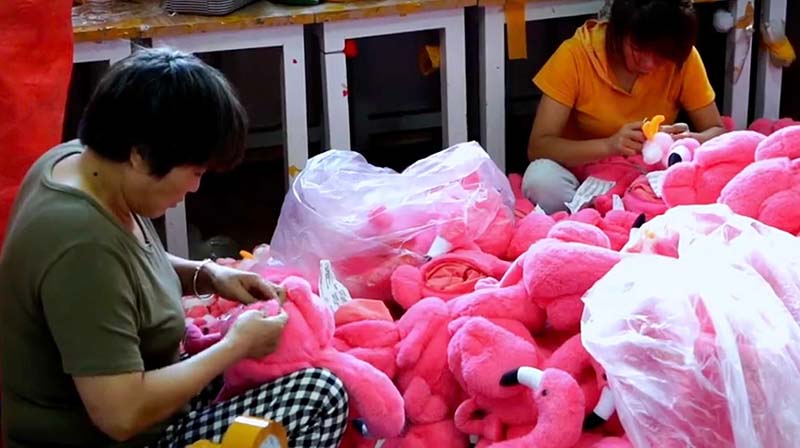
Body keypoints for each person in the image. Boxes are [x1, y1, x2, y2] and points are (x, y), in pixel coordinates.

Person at [0, 48, 349, 448]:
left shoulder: (78, 164)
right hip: (118, 433)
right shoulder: (80, 244)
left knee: (284, 362)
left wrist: (209, 275)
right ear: (140, 156)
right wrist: (234, 347)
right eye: (195, 172)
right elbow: (121, 416)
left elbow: (126, 262)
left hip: (148, 387)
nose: (195, 188)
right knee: (323, 393)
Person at [524, 0, 726, 213]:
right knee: (540, 180)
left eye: (660, 58)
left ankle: (629, 210)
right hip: (584, 178)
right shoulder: (576, 55)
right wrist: (609, 146)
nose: (648, 65)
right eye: (637, 50)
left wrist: (688, 139)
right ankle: (608, 213)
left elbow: (718, 131)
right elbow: (539, 147)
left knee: (717, 174)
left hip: (648, 177)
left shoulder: (681, 58)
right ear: (617, 32)